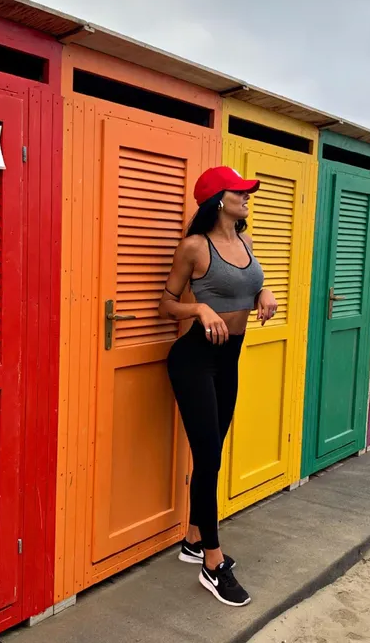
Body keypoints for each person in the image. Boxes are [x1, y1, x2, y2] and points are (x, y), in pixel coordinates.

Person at [158, 165, 278, 607]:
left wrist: (263, 293)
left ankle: (193, 538)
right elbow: (166, 302)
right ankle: (212, 561)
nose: (247, 197)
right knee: (208, 458)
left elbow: (247, 284)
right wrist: (199, 310)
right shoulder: (194, 246)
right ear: (217, 200)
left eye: (247, 192)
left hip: (230, 360)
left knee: (211, 456)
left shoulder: (246, 241)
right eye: (239, 192)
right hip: (194, 361)